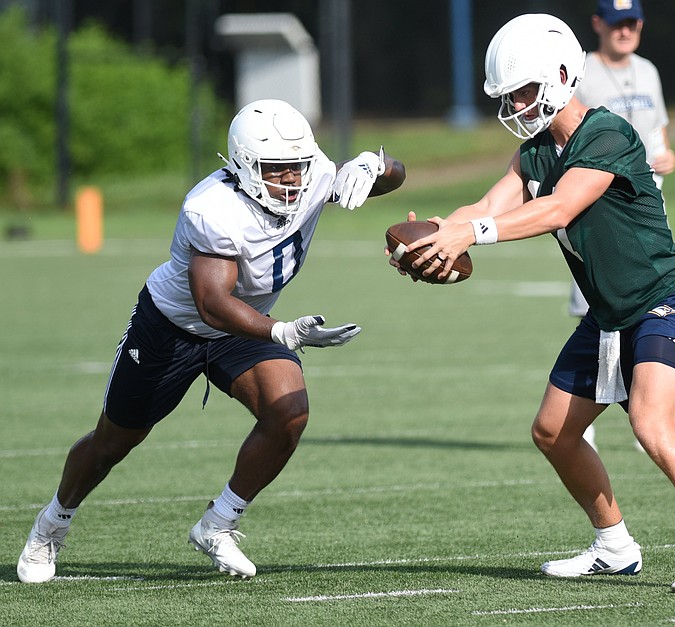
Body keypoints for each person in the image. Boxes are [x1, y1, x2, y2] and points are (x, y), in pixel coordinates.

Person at [393, 14, 675, 593]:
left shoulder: (607, 134)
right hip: (608, 314)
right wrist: (438, 230)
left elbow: (559, 209)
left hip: (663, 298)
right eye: (508, 94)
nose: (515, 103)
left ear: (562, 76)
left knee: (650, 423)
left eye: (524, 90)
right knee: (552, 432)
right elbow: (487, 203)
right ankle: (614, 546)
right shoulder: (535, 151)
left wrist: (474, 234)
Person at [17, 99, 406, 584]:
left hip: (244, 325)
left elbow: (393, 176)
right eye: (277, 169)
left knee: (288, 411)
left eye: (298, 168)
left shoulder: (315, 173)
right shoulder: (211, 207)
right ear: (244, 166)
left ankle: (218, 523)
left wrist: (377, 164)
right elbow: (211, 303)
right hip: (175, 327)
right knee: (113, 442)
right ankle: (52, 523)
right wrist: (281, 331)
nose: (291, 180)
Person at [572, 0, 675, 452]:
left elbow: (659, 131)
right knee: (594, 307)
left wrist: (668, 155)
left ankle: (651, 421)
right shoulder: (579, 70)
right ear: (598, 23)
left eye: (633, 23)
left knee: (649, 305)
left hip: (646, 208)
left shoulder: (649, 70)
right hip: (598, 210)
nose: (626, 31)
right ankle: (583, 422)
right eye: (617, 23)